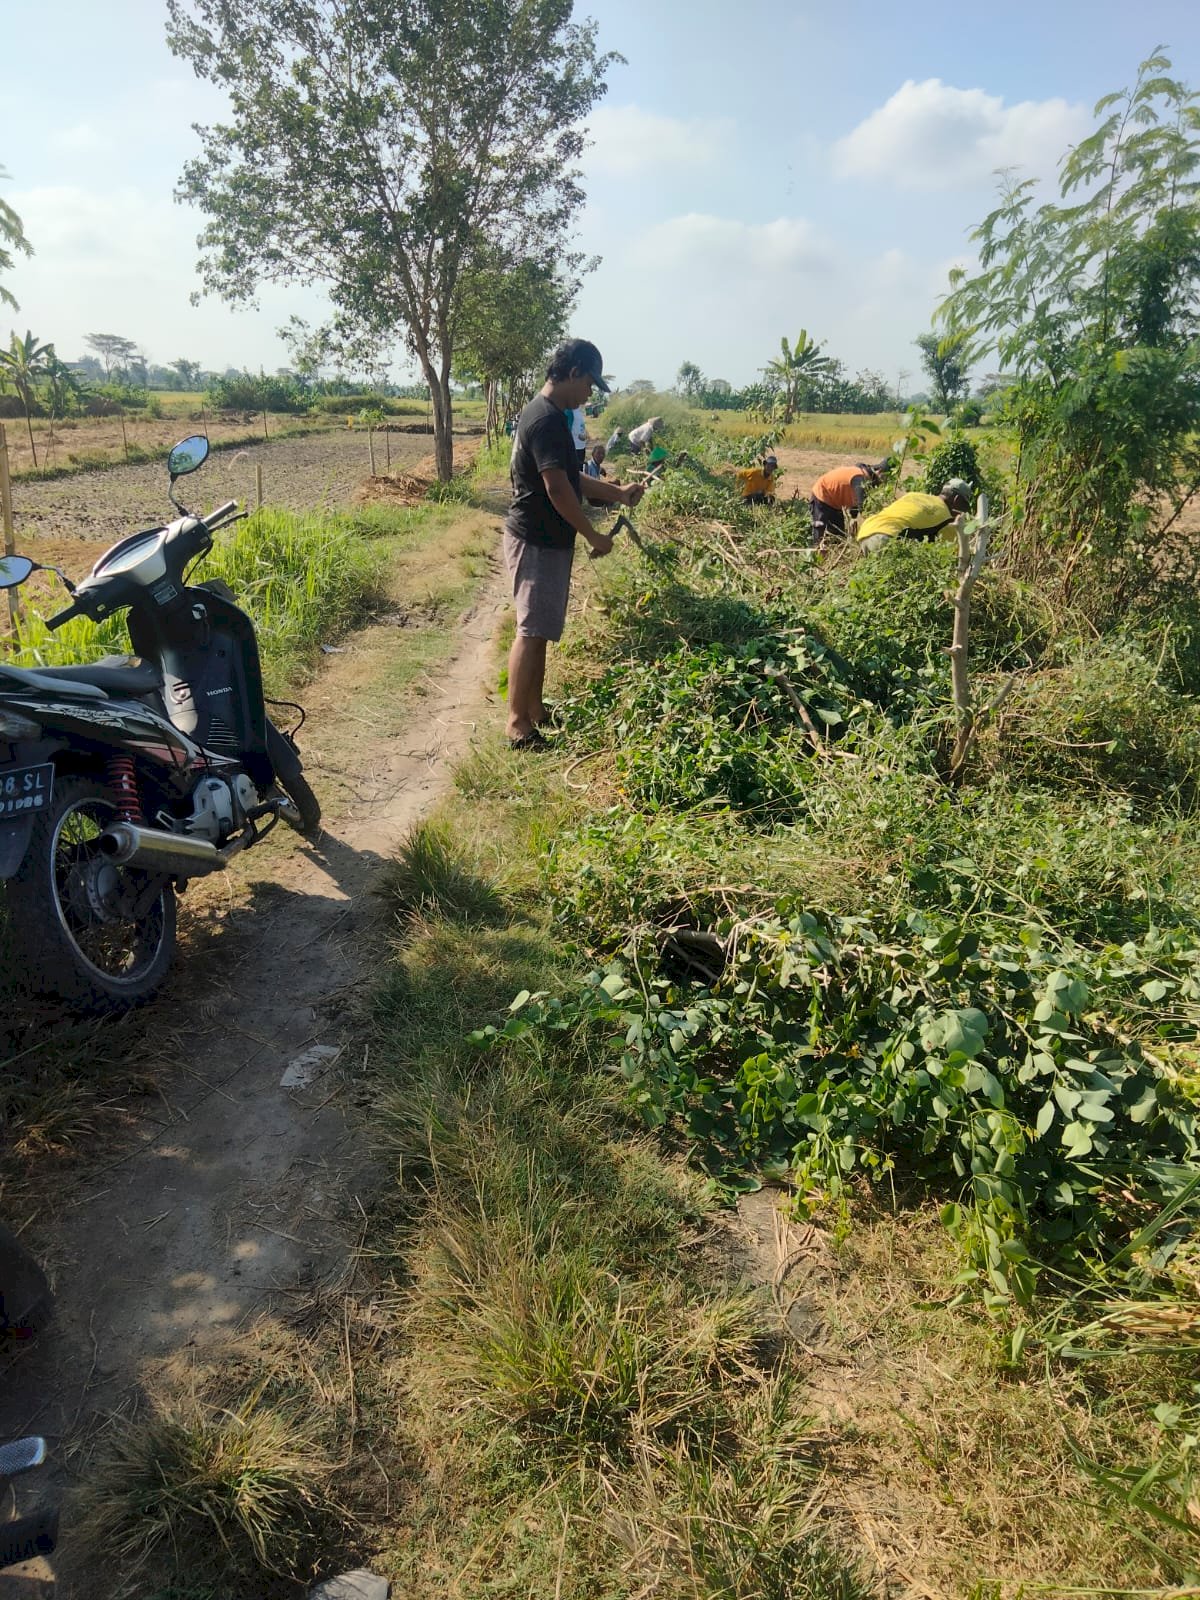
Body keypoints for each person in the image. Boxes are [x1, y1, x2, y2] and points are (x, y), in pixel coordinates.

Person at [503, 338, 645, 749]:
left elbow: (570, 477)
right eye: (588, 384)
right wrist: (593, 533)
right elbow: (557, 491)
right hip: (536, 539)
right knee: (530, 631)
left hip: (546, 540)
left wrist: (616, 494)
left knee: (541, 629)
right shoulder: (546, 421)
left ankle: (536, 711)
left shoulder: (553, 416)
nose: (589, 394)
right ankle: (517, 725)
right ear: (572, 373)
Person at [856, 478, 974, 554]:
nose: (963, 512)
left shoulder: (914, 495)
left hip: (865, 531)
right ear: (956, 499)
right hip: (886, 539)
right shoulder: (947, 518)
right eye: (964, 506)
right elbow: (953, 554)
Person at [809, 459, 888, 544]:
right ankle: (815, 553)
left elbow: (855, 505)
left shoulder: (865, 476)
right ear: (879, 471)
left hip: (835, 503)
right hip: (822, 495)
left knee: (838, 537)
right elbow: (862, 506)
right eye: (885, 478)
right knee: (820, 532)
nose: (884, 482)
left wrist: (853, 517)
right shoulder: (860, 478)